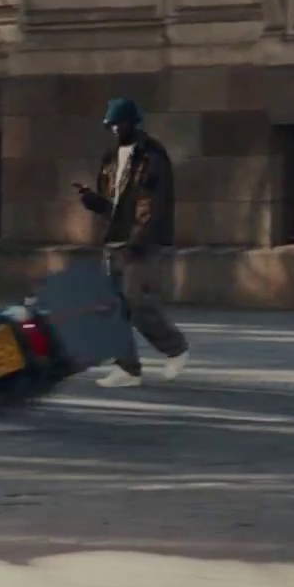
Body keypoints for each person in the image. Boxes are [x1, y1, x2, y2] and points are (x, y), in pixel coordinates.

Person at [73, 97, 189, 388]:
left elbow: (156, 201)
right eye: (111, 124)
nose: (115, 129)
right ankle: (127, 368)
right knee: (112, 306)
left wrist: (140, 237)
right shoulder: (110, 158)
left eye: (119, 123)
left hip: (141, 240)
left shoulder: (152, 155)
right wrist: (92, 201)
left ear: (132, 123)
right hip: (115, 238)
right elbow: (111, 205)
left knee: (135, 298)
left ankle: (175, 348)